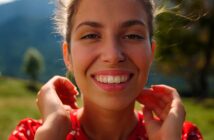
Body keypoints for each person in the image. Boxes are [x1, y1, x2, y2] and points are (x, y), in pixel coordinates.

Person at [9, 0, 203, 140]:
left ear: (151, 53)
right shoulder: (31, 135)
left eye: (133, 36)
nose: (112, 55)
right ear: (68, 56)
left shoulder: (182, 136)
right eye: (91, 35)